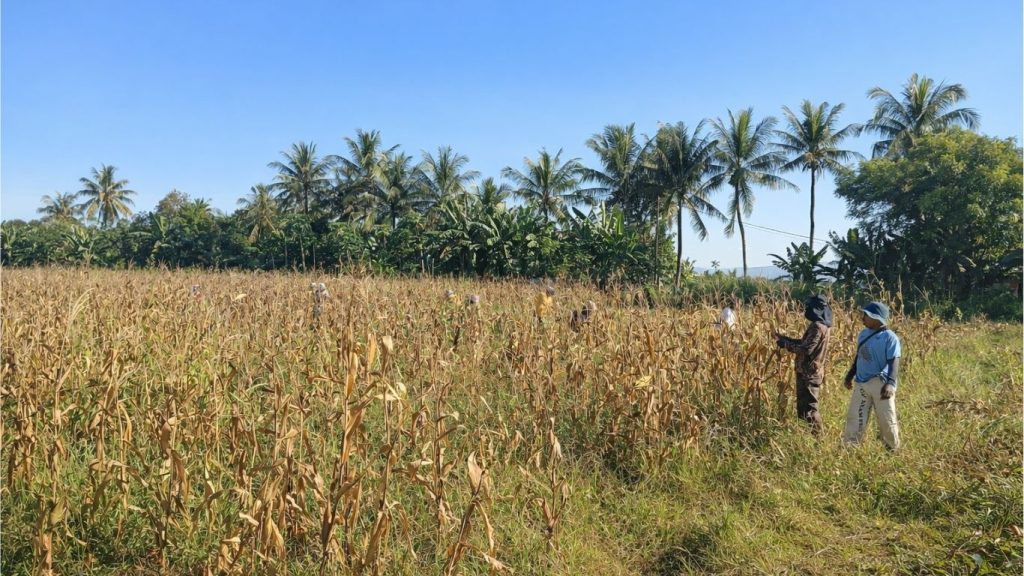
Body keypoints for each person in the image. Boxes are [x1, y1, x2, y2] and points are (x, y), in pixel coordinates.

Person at [842, 301, 902, 451]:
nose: (862, 318)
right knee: (855, 417)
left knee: (886, 418)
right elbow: (859, 357)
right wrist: (850, 375)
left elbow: (894, 361)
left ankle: (892, 449)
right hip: (861, 383)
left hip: (881, 384)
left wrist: (890, 383)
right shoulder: (863, 334)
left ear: (876, 318)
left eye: (866, 315)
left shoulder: (890, 338)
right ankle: (850, 448)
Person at [775, 294, 833, 434]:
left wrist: (786, 345)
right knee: (803, 409)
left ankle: (818, 438)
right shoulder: (821, 326)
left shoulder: (818, 327)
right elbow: (804, 343)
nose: (806, 310)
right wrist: (786, 339)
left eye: (810, 307)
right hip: (806, 372)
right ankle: (807, 435)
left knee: (810, 409)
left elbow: (806, 349)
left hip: (809, 374)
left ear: (817, 309)